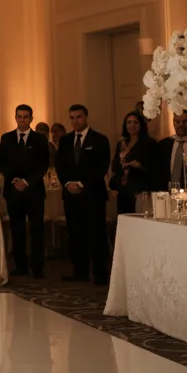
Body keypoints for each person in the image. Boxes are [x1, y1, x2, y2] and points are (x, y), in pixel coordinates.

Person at [55, 104, 111, 285]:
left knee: (96, 234)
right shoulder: (65, 141)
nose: (75, 121)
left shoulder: (100, 139)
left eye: (78, 117)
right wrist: (67, 184)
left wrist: (81, 184)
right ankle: (79, 271)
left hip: (92, 194)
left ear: (85, 117)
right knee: (75, 234)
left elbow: (101, 167)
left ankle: (100, 273)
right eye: (71, 118)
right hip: (71, 195)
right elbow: (60, 166)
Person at [0, 105, 51, 278]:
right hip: (13, 190)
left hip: (34, 191)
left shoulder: (40, 139)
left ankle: (37, 267)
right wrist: (14, 179)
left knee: (36, 229)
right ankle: (20, 266)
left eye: (26, 117)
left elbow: (43, 165)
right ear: (15, 118)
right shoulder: (6, 138)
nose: (22, 120)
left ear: (31, 118)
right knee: (17, 229)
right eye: (19, 117)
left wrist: (27, 182)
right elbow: (3, 162)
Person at [110, 110, 155, 215]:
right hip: (123, 190)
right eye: (129, 122)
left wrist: (139, 165)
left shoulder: (149, 143)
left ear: (141, 125)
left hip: (140, 189)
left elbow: (153, 166)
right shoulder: (121, 144)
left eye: (135, 122)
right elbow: (115, 165)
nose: (132, 125)